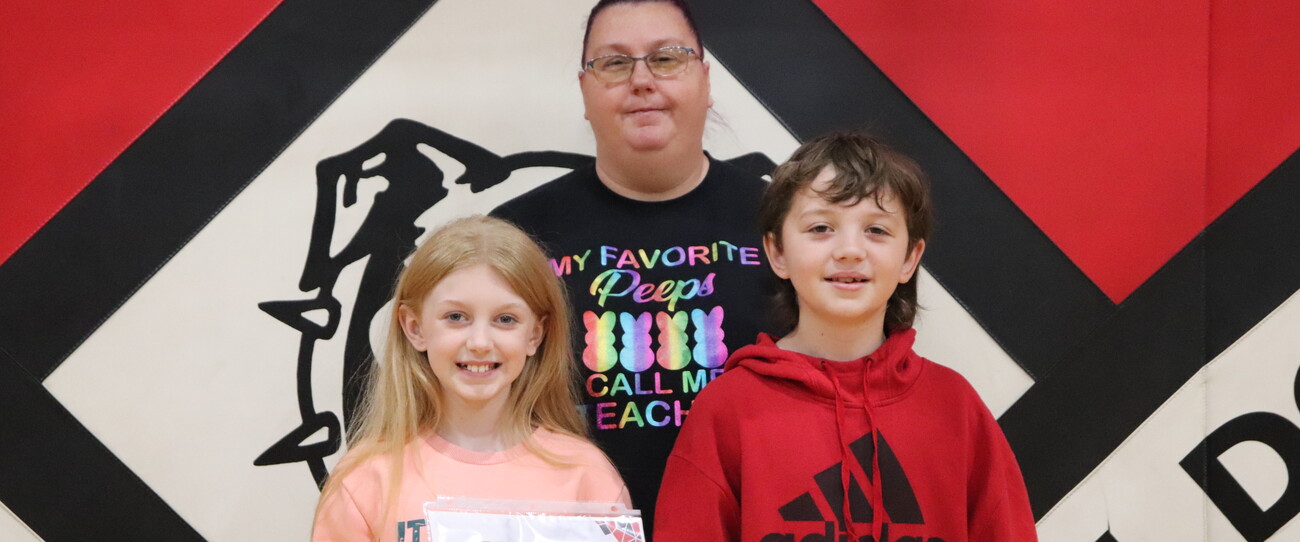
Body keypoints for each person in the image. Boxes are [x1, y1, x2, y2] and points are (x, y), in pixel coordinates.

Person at [655, 132, 1038, 541]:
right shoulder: (726, 411)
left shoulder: (955, 407)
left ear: (910, 258)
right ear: (778, 252)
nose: (850, 250)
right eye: (821, 227)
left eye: (876, 230)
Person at [490, 0, 773, 533]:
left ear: (705, 80)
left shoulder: (785, 223)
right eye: (615, 63)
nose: (642, 80)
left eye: (667, 58)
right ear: (584, 91)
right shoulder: (515, 234)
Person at [311, 216, 629, 542]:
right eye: (456, 317)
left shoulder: (586, 476)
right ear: (415, 328)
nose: (479, 342)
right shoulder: (365, 479)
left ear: (535, 334)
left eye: (505, 319)